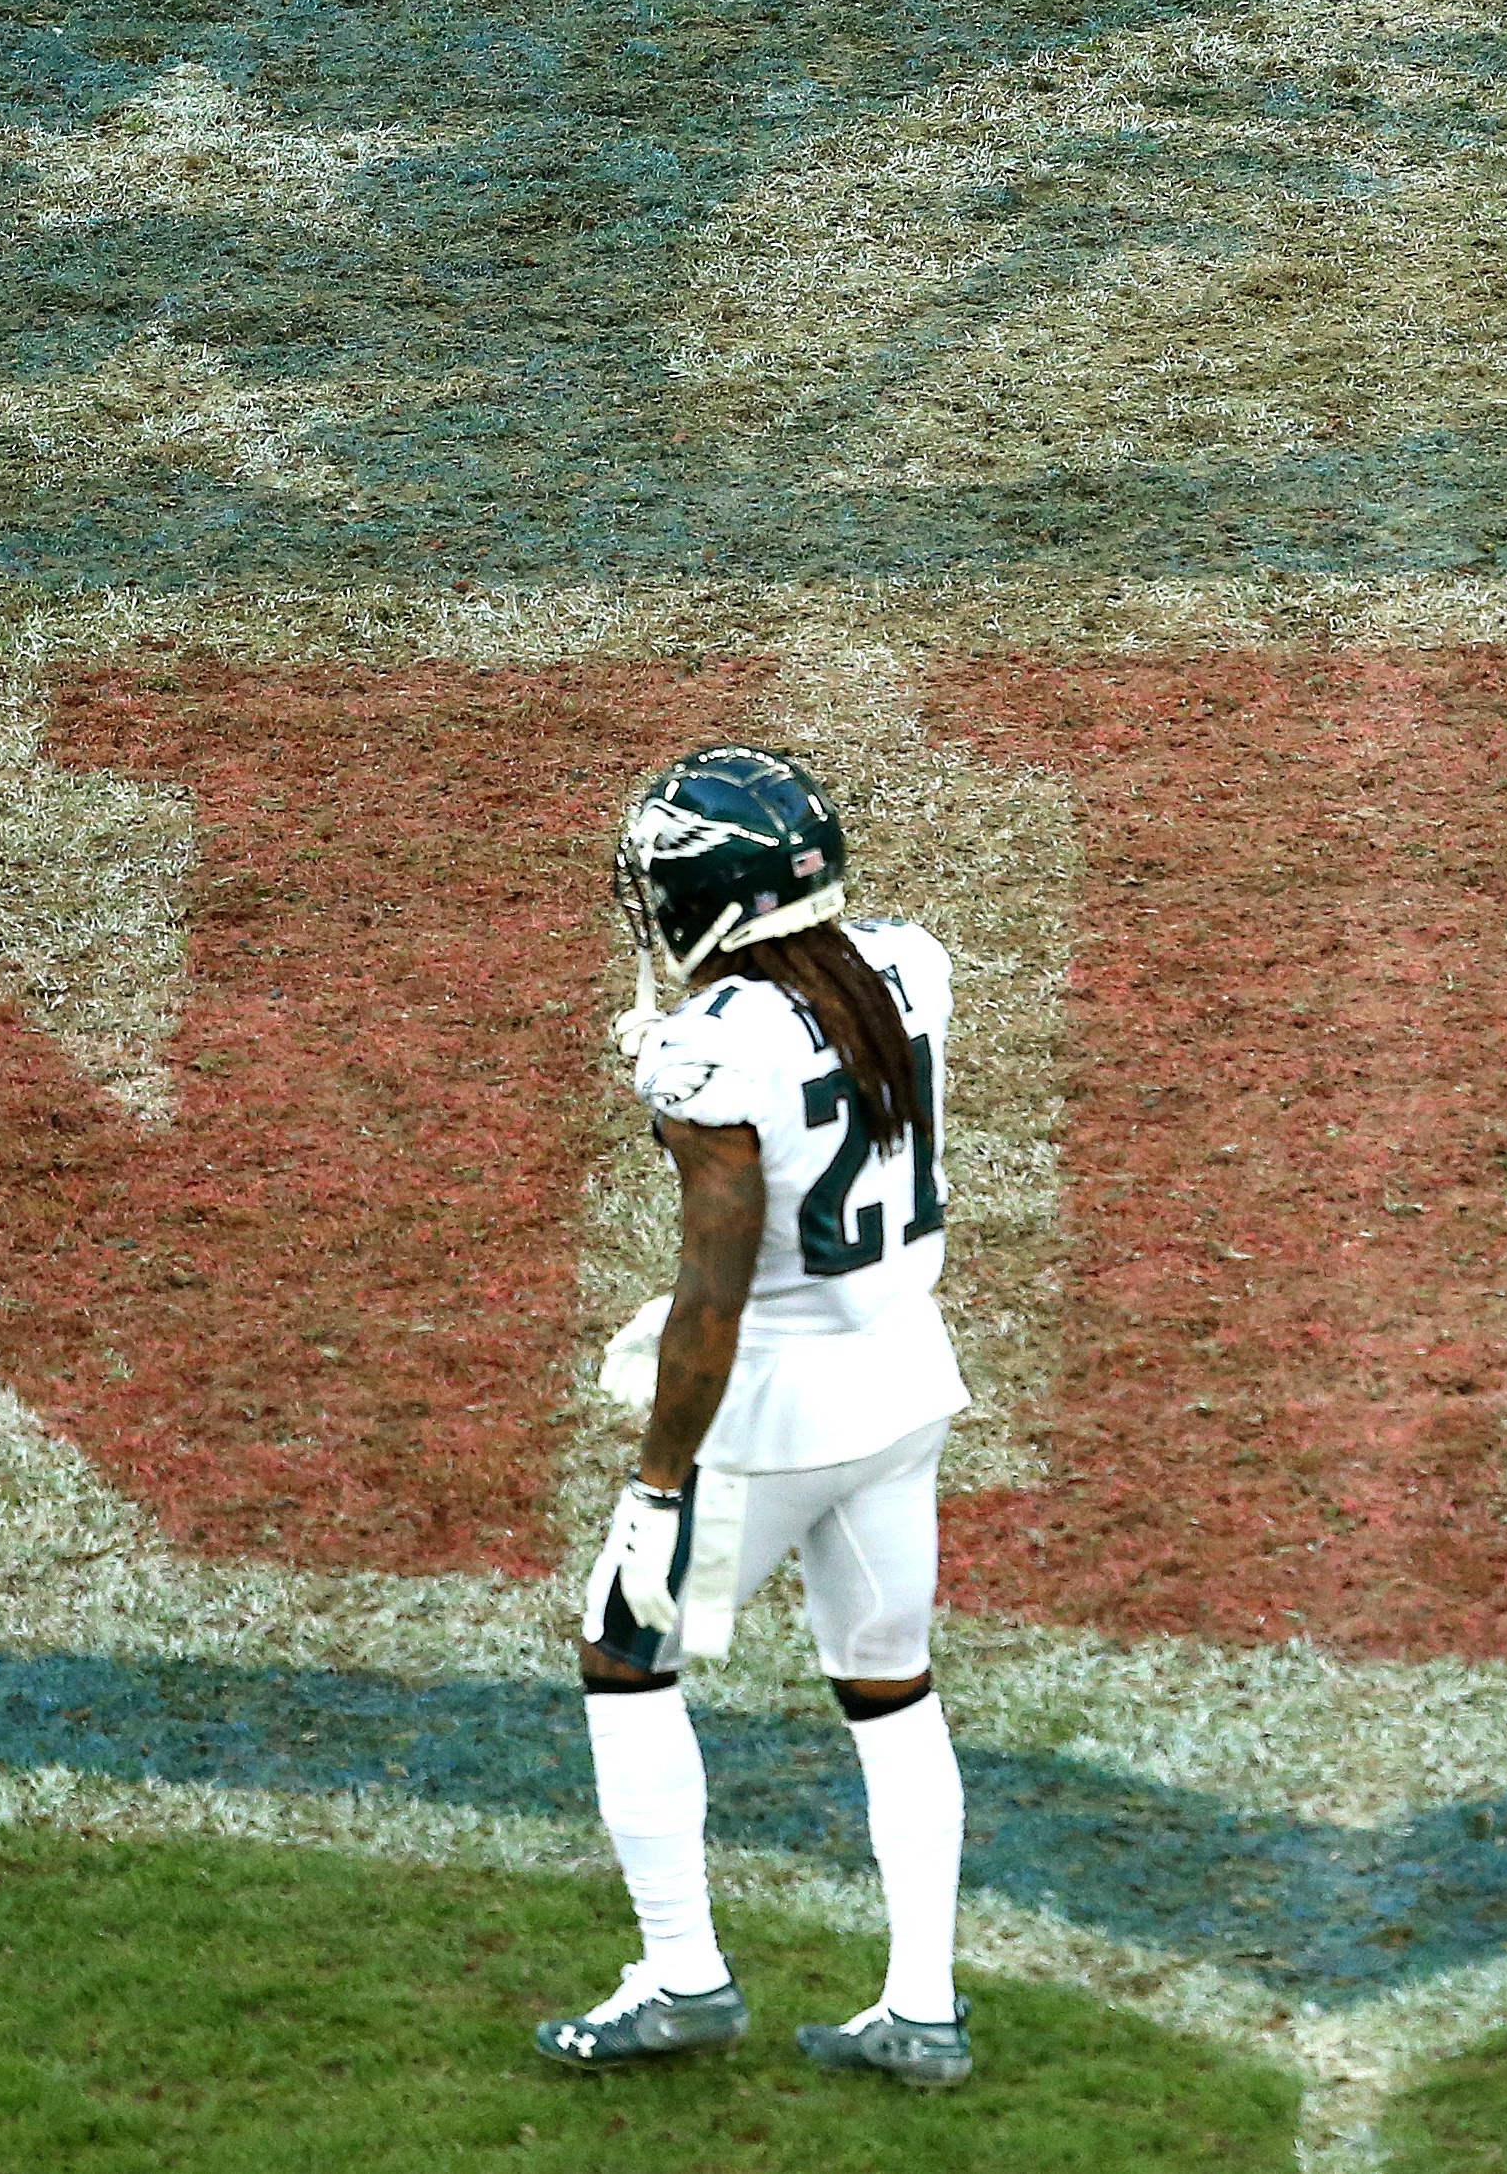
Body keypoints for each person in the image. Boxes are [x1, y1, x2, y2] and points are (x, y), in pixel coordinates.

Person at [540, 745, 974, 2087]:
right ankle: (921, 2005)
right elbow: (812, 1049)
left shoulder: (709, 1051)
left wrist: (661, 1482)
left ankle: (683, 1975)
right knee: (891, 1687)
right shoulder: (905, 961)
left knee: (627, 1649)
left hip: (776, 1407)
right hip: (906, 1373)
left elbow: (712, 1292)